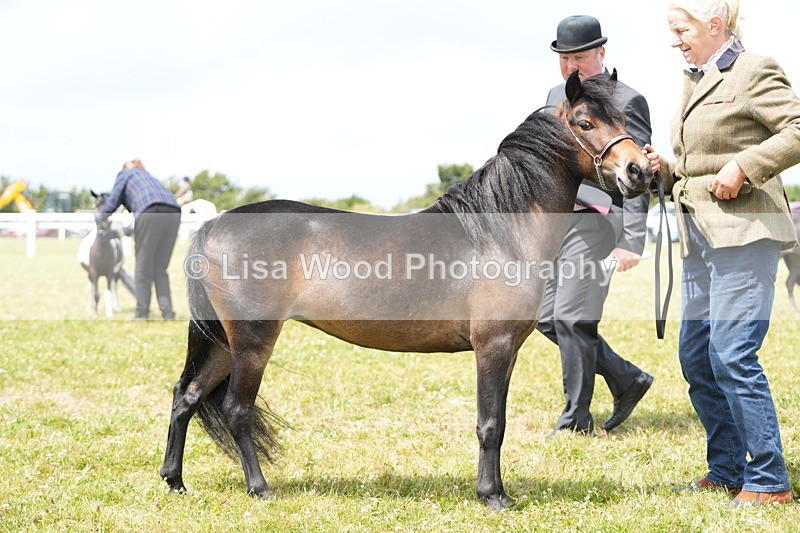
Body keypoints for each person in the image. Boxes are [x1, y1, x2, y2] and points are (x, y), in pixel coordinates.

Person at [643, 0, 800, 506]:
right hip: (698, 235)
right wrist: (664, 170)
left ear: (714, 25)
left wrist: (745, 167)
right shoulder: (696, 78)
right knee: (697, 357)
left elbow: (796, 129)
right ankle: (728, 468)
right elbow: (698, 165)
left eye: (680, 28)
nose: (675, 39)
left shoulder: (753, 70)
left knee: (732, 354)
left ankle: (770, 480)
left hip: (746, 232)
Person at [537, 15, 654, 437]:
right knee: (545, 318)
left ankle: (575, 422)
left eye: (580, 57)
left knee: (571, 316)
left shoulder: (628, 99)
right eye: (565, 58)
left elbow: (639, 175)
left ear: (601, 53)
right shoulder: (556, 96)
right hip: (556, 223)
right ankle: (626, 378)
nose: (572, 66)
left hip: (599, 221)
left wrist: (632, 241)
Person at [96, 159, 182, 320]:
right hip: (174, 211)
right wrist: (118, 232)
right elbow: (139, 223)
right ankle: (168, 313)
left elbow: (113, 201)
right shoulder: (150, 178)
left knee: (143, 268)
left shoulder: (125, 174)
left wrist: (100, 216)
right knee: (160, 269)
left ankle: (142, 314)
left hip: (150, 212)